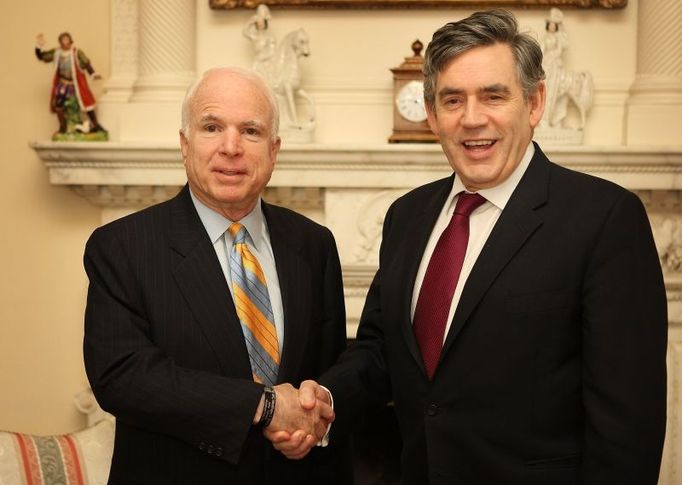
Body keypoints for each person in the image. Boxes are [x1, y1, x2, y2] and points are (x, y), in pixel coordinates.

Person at [272, 9, 668, 485]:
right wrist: (326, 400)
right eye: (453, 99)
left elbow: (627, 427)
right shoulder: (407, 216)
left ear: (535, 101)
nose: (472, 119)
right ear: (433, 113)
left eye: (494, 96)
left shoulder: (604, 219)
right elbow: (380, 350)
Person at [83, 67, 351, 484]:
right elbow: (123, 376)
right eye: (212, 127)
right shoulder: (122, 246)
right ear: (184, 144)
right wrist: (264, 405)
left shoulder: (313, 244)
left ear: (274, 149)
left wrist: (314, 421)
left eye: (251, 131)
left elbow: (331, 368)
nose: (231, 147)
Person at [35, 32, 106, 135]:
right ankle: (62, 127)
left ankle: (96, 125)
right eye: (63, 40)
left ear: (70, 40)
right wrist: (39, 46)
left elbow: (86, 64)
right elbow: (42, 57)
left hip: (76, 84)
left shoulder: (76, 52)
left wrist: (93, 74)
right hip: (63, 84)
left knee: (86, 102)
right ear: (60, 42)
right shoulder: (56, 52)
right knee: (59, 104)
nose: (66, 42)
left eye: (67, 39)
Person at [540, 8, 570, 127]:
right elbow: (541, 51)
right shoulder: (545, 38)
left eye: (554, 25)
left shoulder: (558, 38)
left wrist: (553, 56)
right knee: (546, 91)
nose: (552, 27)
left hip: (555, 67)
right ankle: (544, 119)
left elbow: (561, 48)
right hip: (547, 66)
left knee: (554, 92)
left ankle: (554, 118)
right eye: (550, 24)